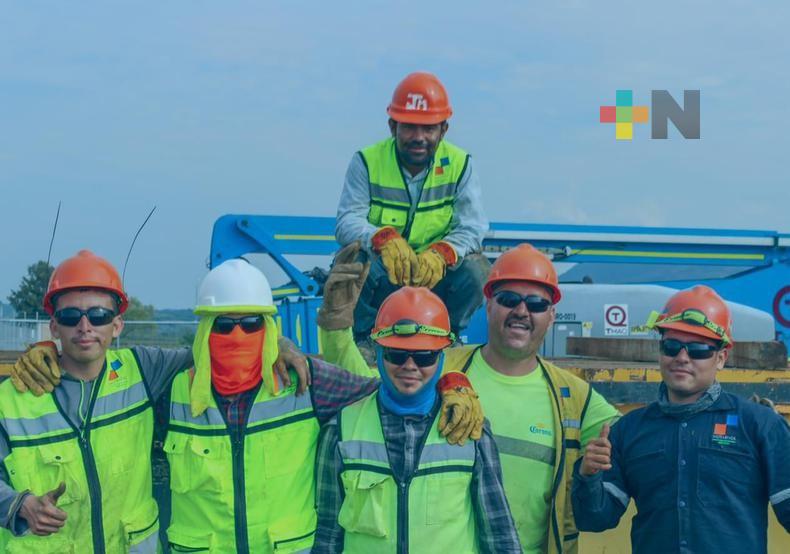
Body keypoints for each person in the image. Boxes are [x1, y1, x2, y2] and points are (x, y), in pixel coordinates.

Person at [319, 242, 620, 553]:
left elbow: (640, 436)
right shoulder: (436, 362)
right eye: (508, 300)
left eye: (536, 304)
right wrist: (335, 327)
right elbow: (371, 388)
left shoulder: (572, 396)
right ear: (487, 304)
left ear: (552, 315)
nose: (521, 311)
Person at [571, 285, 790, 553]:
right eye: (672, 346)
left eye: (698, 349)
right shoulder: (629, 430)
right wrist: (588, 476)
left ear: (721, 358)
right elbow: (594, 519)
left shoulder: (759, 425)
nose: (682, 358)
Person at [0, 250, 193, 552]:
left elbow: (217, 352)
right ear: (54, 327)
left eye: (99, 316)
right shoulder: (12, 399)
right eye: (70, 316)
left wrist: (279, 345)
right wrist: (18, 505)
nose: (85, 326)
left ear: (117, 325)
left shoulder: (143, 369)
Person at [313, 285, 521, 553]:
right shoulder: (341, 430)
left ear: (441, 358)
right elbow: (327, 533)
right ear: (377, 352)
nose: (410, 366)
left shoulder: (470, 429)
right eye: (397, 354)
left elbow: (499, 534)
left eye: (424, 356)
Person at [335, 71, 490, 355]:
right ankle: (365, 340)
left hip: (436, 278)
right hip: (385, 275)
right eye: (409, 127)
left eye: (428, 128)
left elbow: (473, 228)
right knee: (351, 261)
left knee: (477, 270)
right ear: (392, 126)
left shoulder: (460, 164)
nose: (418, 137)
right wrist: (380, 238)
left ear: (443, 130)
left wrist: (444, 253)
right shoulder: (366, 162)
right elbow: (347, 221)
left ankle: (446, 334)